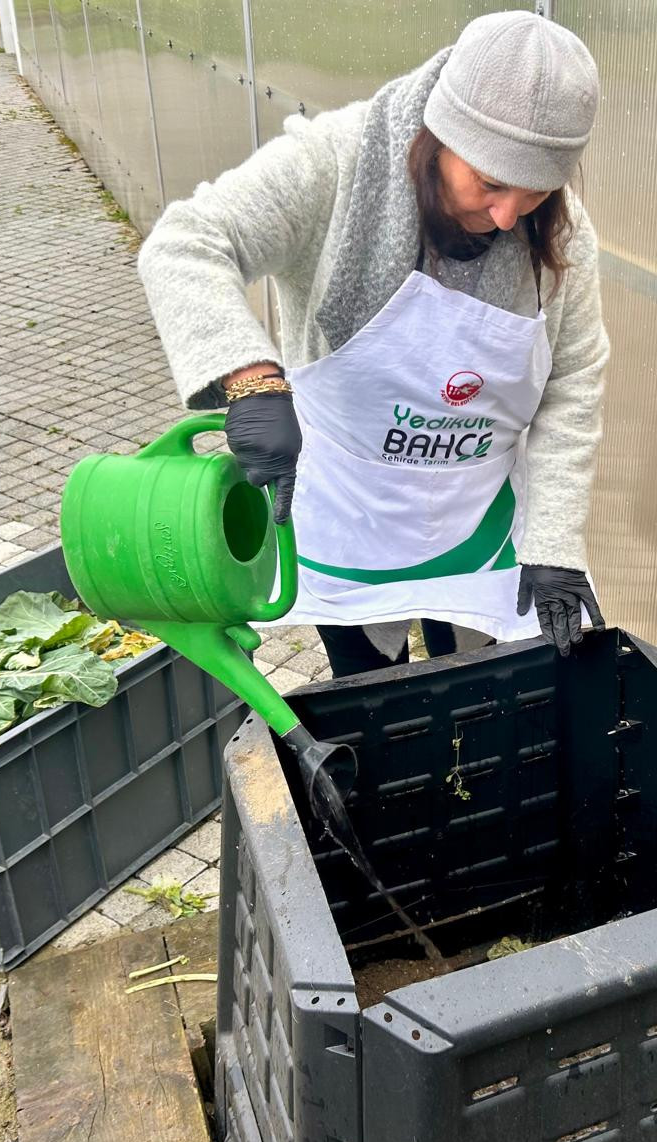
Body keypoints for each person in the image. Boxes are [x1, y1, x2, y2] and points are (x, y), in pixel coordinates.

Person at [137, 11, 608, 678]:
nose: (508, 216)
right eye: (491, 184)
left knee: (474, 686)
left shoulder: (561, 234)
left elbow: (573, 380)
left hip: (474, 518)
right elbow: (187, 242)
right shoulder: (336, 164)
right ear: (441, 137)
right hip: (349, 510)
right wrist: (250, 378)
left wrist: (554, 542)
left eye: (535, 192)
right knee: (368, 688)